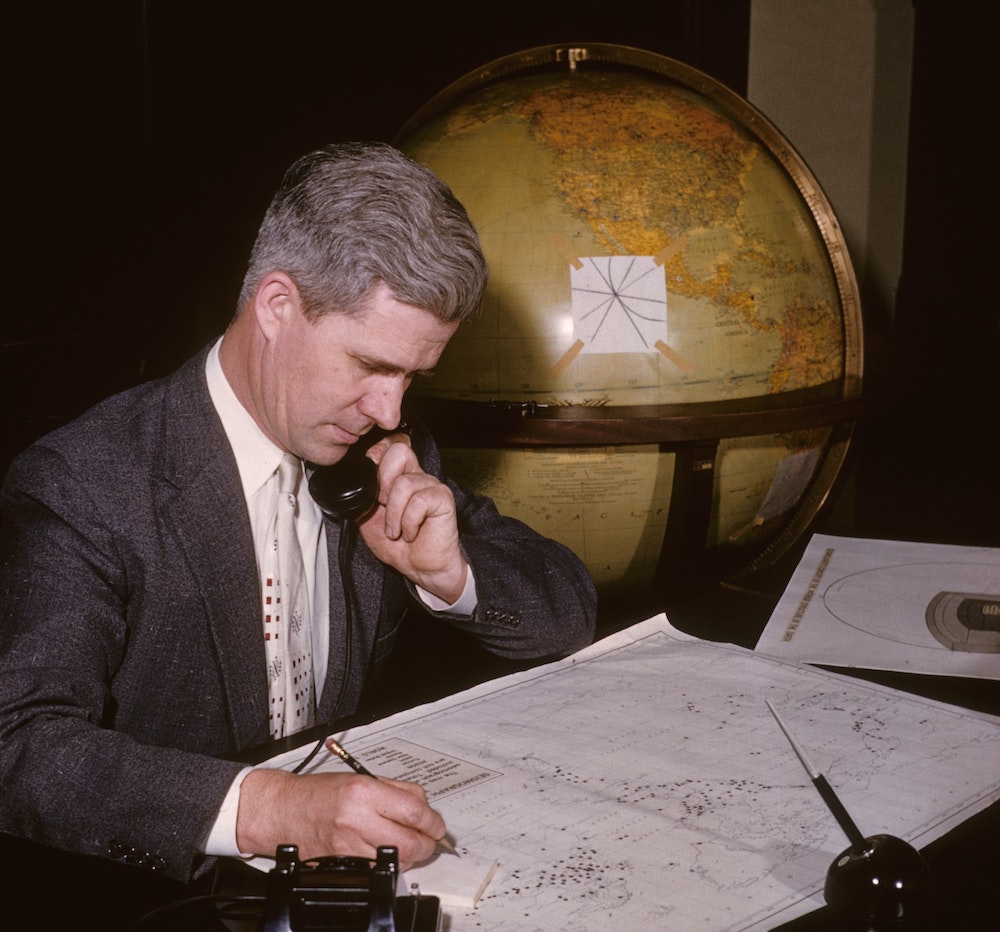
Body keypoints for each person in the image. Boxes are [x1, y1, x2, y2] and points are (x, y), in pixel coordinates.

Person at [0, 141, 597, 885]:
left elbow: (568, 612)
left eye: (413, 375)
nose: (390, 408)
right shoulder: (83, 485)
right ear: (278, 306)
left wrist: (454, 574)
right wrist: (279, 809)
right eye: (372, 365)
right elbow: (20, 747)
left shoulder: (384, 446)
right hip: (142, 908)